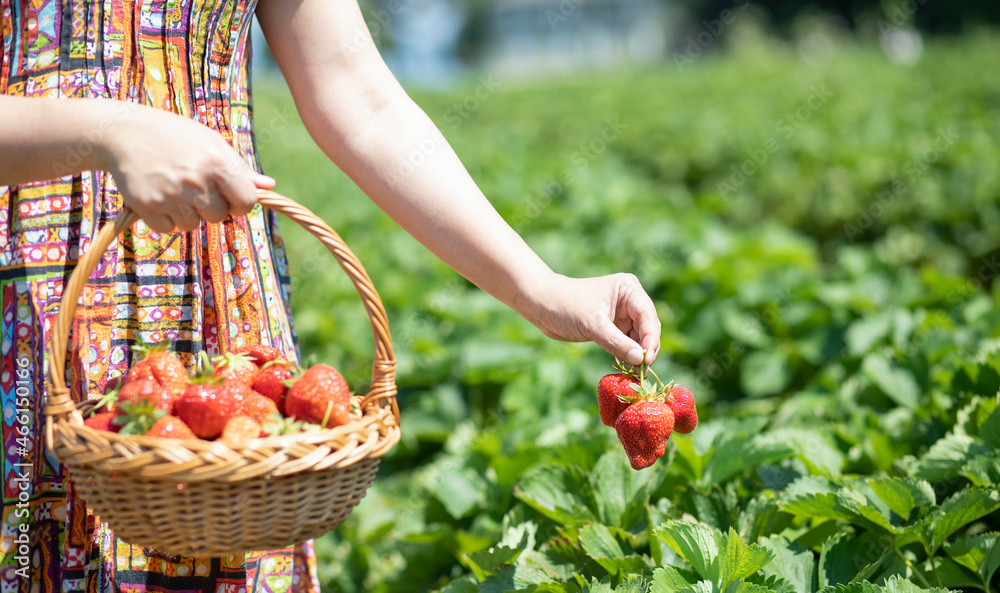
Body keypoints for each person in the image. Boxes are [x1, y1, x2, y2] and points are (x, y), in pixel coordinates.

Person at [0, 0, 662, 590]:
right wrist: (107, 131)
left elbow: (359, 99)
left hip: (218, 314)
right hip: (28, 307)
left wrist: (538, 286)